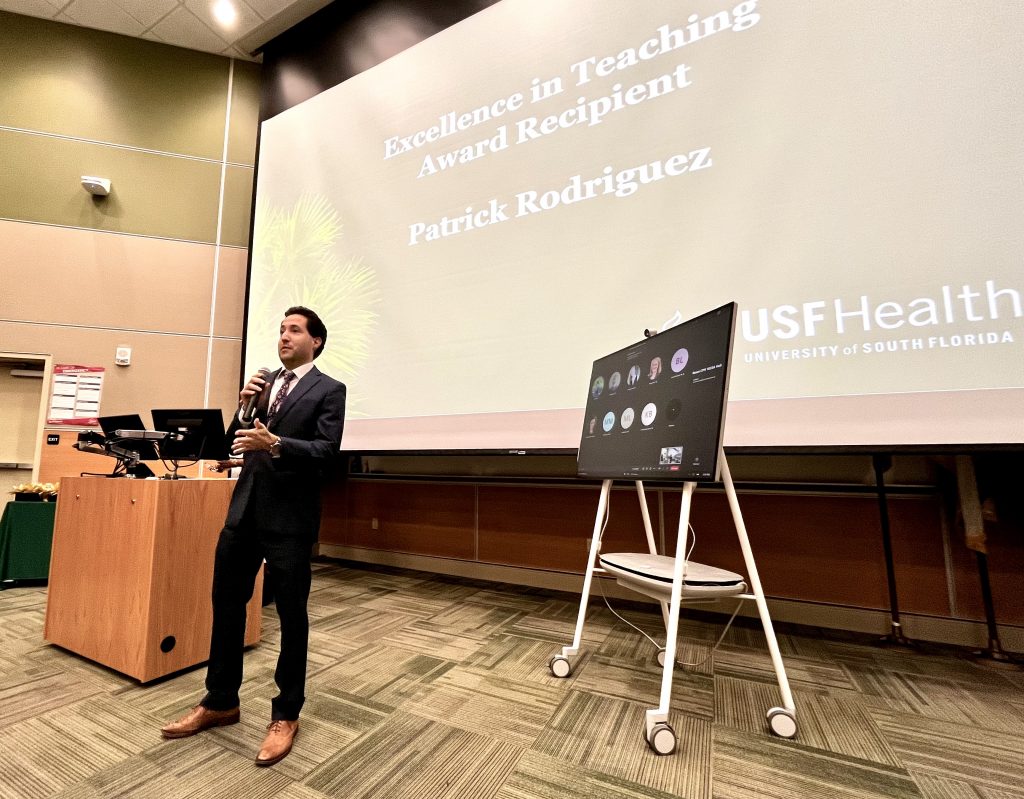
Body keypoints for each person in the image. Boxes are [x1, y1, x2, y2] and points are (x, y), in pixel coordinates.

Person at [161, 306, 346, 767]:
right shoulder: (263, 389)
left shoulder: (330, 390)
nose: (283, 336)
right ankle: (220, 700)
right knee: (225, 606)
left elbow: (326, 453)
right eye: (281, 329)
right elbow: (230, 444)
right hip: (242, 515)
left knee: (290, 616)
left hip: (290, 521)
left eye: (294, 330)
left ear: (315, 341)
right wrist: (244, 407)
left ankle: (286, 713)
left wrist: (277, 444)